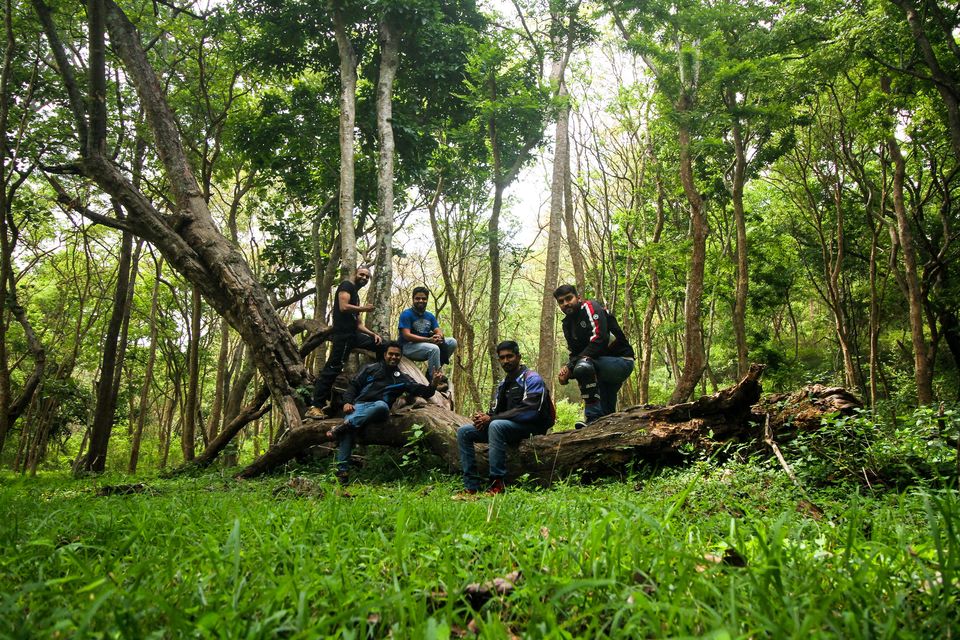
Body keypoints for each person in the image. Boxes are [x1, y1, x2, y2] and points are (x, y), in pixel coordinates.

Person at [327, 341, 440, 483]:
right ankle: (342, 473)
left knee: (381, 405)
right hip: (360, 406)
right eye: (391, 354)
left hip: (380, 411)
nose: (394, 357)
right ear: (385, 355)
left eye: (397, 355)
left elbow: (424, 391)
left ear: (401, 357)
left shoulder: (402, 378)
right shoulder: (370, 369)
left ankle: (346, 425)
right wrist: (348, 402)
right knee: (347, 431)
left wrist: (433, 384)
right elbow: (354, 386)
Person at [456, 340, 554, 495]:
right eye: (502, 358)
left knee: (496, 425)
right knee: (464, 432)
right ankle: (471, 486)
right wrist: (484, 417)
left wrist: (492, 419)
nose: (506, 361)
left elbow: (531, 410)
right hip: (508, 427)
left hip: (532, 426)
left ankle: (497, 484)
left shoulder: (531, 378)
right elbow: (495, 412)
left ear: (519, 357)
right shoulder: (503, 384)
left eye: (510, 356)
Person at [554, 284, 635, 427]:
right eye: (561, 301)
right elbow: (575, 353)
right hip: (600, 367)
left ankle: (591, 416)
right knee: (607, 417)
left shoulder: (590, 307)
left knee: (582, 366)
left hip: (621, 361)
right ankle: (602, 432)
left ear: (578, 298)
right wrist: (566, 369)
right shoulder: (567, 324)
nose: (566, 303)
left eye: (569, 298)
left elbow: (600, 338)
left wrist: (571, 367)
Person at [308, 266, 384, 417]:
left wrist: (373, 334)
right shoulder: (346, 286)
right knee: (333, 368)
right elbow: (343, 307)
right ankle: (316, 406)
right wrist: (364, 309)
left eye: (367, 277)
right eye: (362, 274)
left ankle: (379, 383)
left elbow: (358, 324)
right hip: (343, 337)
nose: (364, 278)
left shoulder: (355, 295)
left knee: (383, 345)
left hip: (354, 335)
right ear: (355, 274)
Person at [398, 286, 457, 391]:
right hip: (408, 347)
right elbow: (406, 335)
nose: (421, 300)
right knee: (433, 348)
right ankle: (435, 380)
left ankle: (433, 372)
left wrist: (439, 336)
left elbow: (437, 329)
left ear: (427, 300)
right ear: (413, 299)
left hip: (424, 346)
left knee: (452, 342)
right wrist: (429, 340)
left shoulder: (429, 316)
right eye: (418, 298)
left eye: (424, 298)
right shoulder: (406, 314)